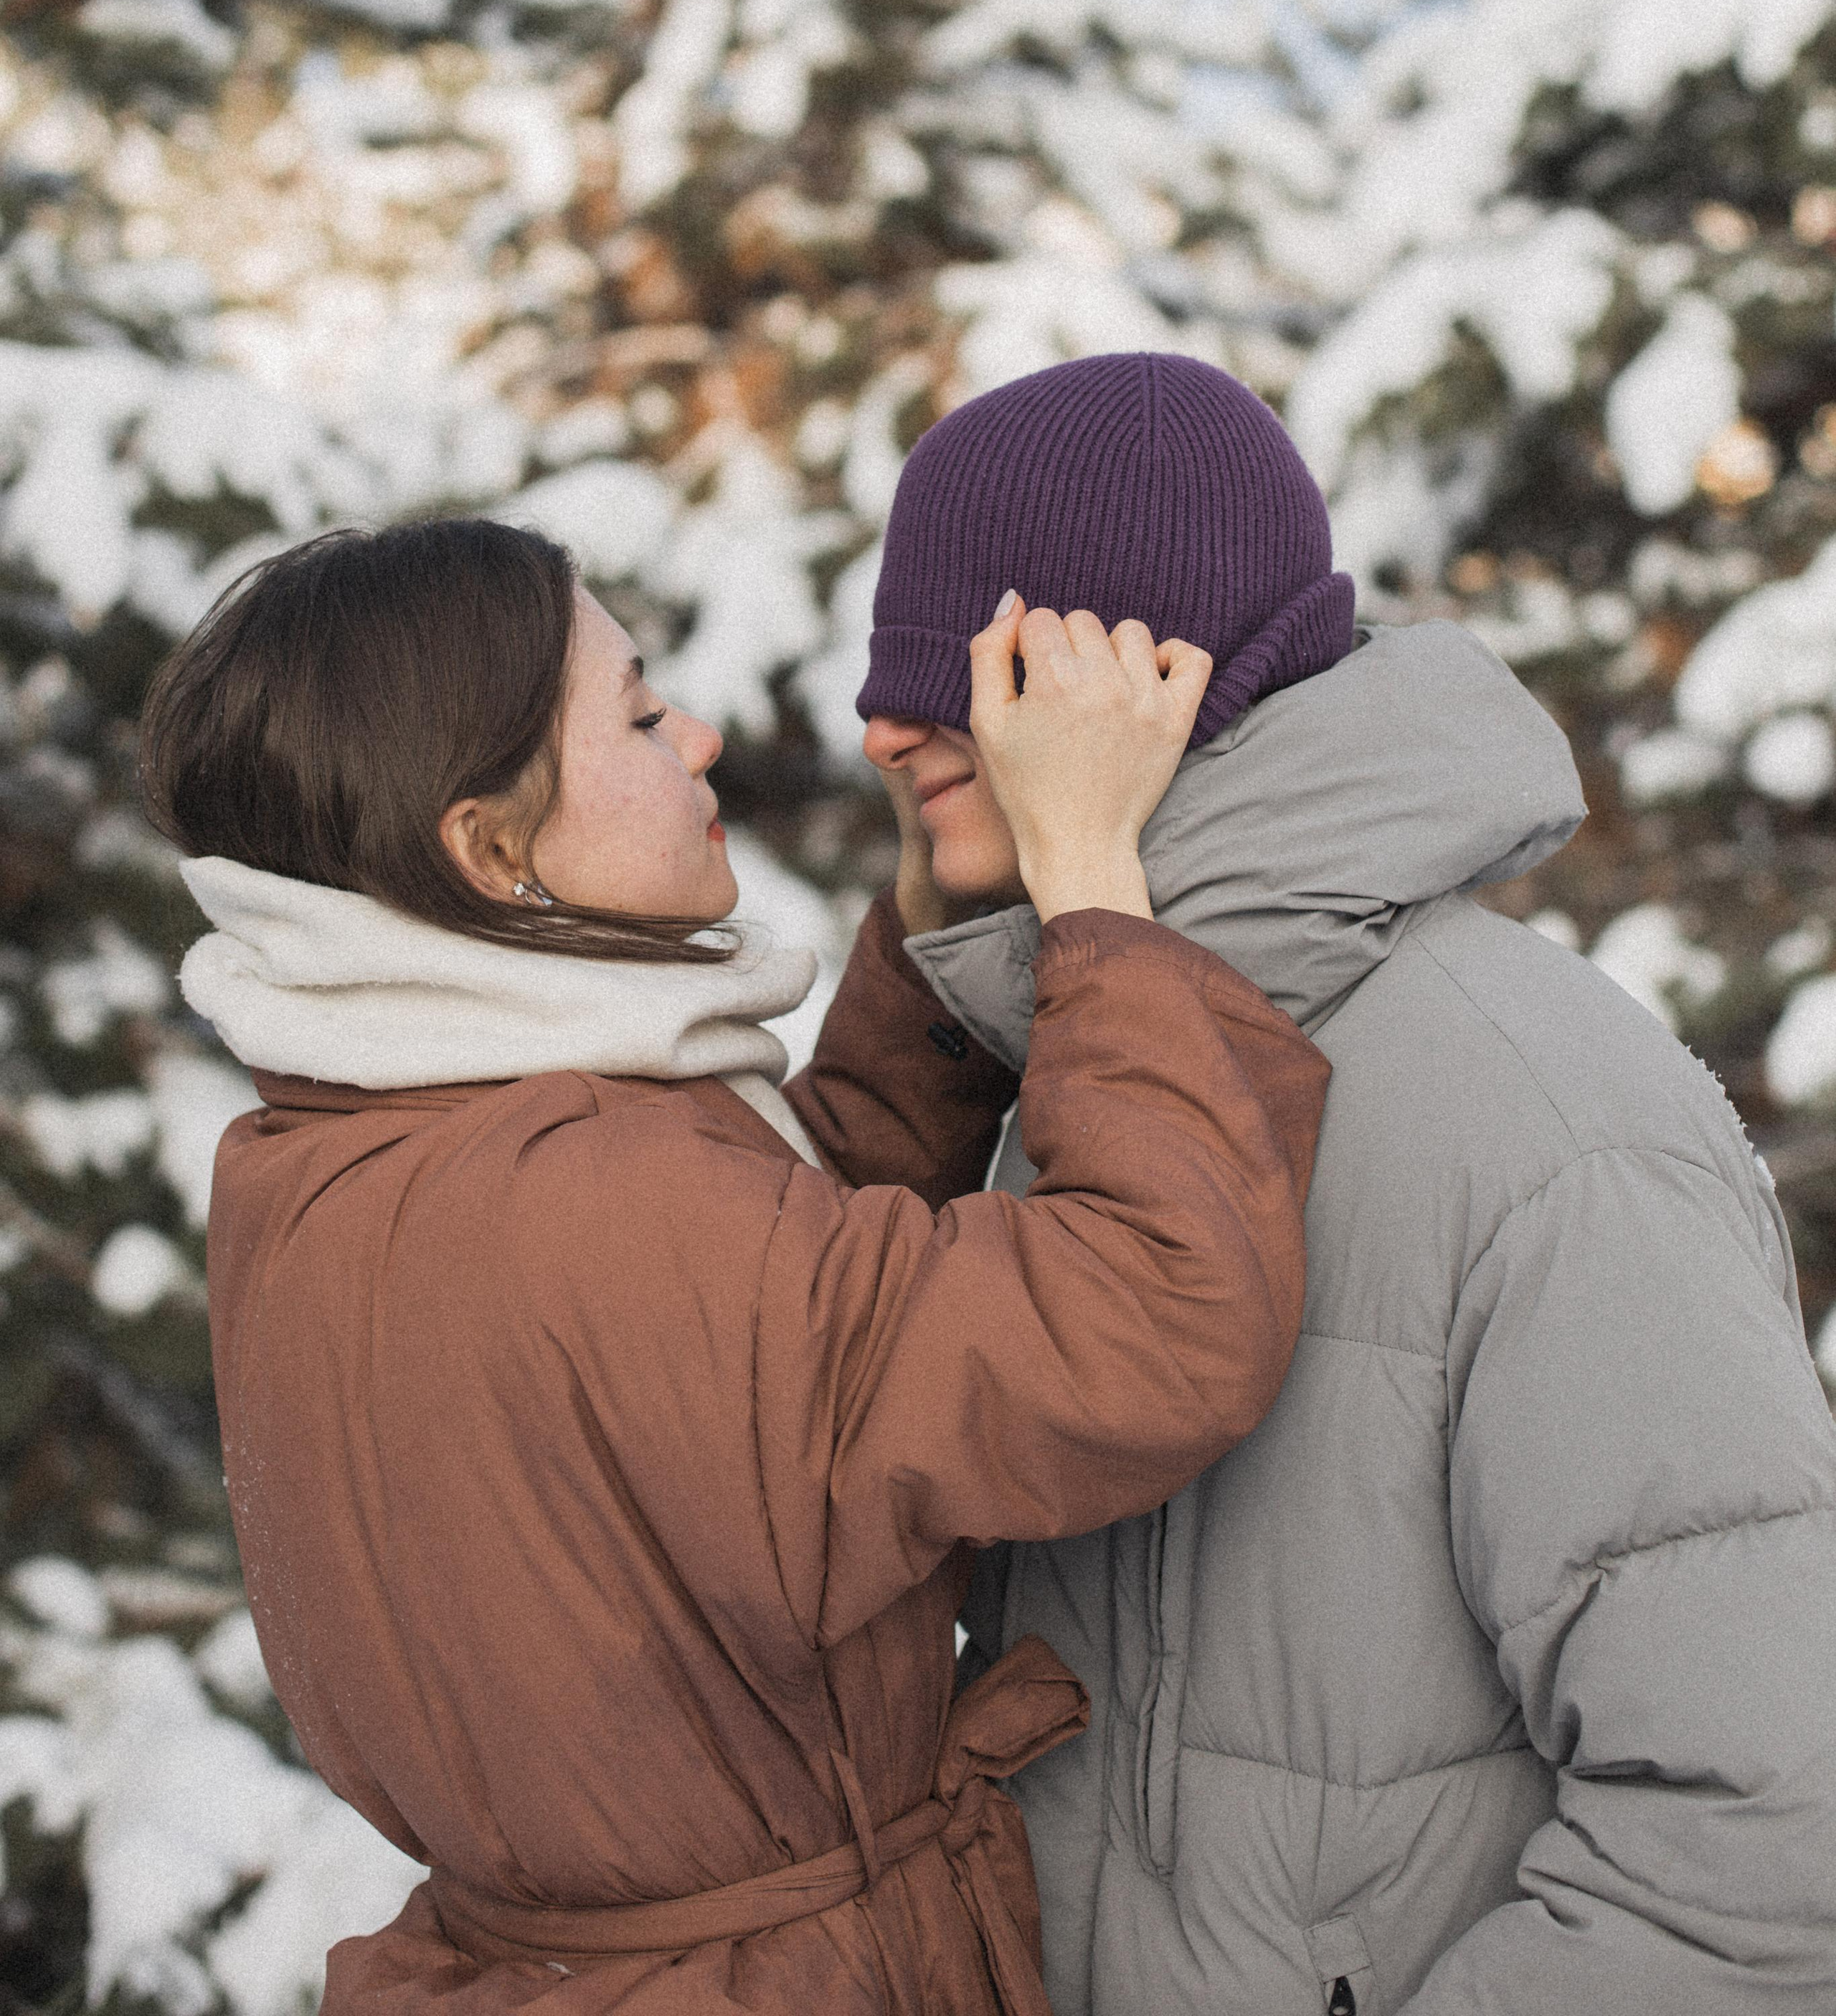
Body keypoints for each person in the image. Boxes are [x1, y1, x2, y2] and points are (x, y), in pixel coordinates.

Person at [140, 515, 1330, 2016]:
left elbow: (770, 1364)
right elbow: (1158, 1317)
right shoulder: (591, 1210)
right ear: (488, 849)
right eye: (640, 716)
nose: (698, 736)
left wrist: (926, 938)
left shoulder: (350, 1149)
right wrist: (1092, 882)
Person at [856, 351, 1836, 2016]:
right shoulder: (1065, 1089)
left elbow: (1767, 1843)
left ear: (1137, 675)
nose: (880, 728)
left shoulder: (1539, 1126)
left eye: (957, 669)